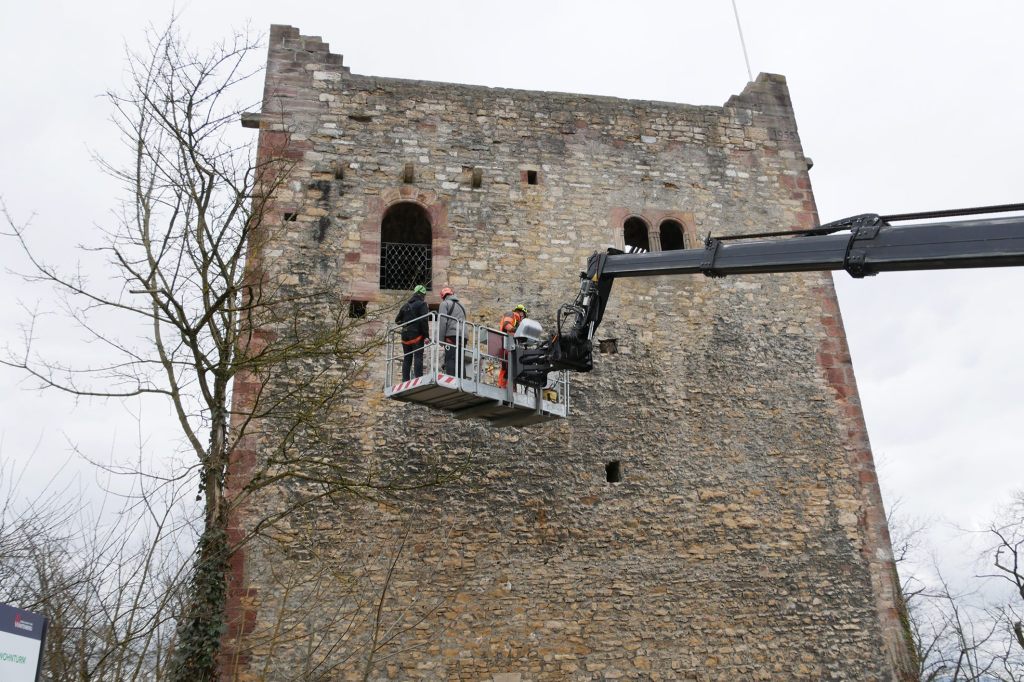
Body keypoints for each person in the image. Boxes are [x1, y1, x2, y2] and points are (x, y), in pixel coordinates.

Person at [395, 284, 430, 381]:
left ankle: (405, 380)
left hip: (405, 336)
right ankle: (418, 378)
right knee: (418, 356)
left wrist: (406, 323)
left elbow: (397, 320)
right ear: (422, 295)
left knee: (407, 358)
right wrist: (426, 336)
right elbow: (424, 320)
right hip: (416, 336)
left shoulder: (405, 306)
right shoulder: (422, 304)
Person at [437, 286, 466, 376]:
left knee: (450, 359)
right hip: (463, 336)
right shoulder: (462, 306)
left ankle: (452, 380)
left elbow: (442, 322)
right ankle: (463, 381)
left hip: (452, 335)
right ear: (452, 294)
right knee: (460, 360)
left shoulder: (444, 304)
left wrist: (441, 340)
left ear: (443, 296)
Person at [497, 304, 528, 388]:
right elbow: (506, 325)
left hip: (509, 345)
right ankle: (503, 386)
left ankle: (508, 387)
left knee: (510, 368)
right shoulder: (511, 314)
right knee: (506, 368)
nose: (523, 318)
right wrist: (518, 330)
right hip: (507, 345)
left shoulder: (517, 321)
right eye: (523, 315)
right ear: (521, 313)